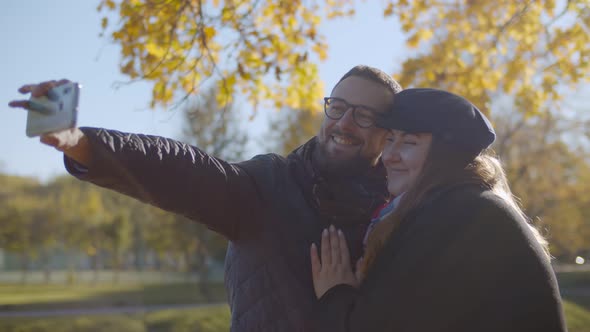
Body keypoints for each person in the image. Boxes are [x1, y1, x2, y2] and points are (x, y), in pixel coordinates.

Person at [9, 65, 403, 332]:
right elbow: (184, 170)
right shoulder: (269, 184)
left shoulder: (401, 212)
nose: (345, 123)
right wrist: (82, 145)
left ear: (389, 133)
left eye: (365, 115)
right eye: (337, 107)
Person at [310, 88, 567, 331]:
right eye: (390, 139)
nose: (389, 155)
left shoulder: (459, 216)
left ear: (446, 155)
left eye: (408, 143)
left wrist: (335, 293)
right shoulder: (464, 204)